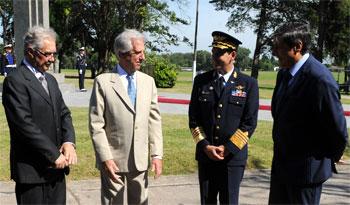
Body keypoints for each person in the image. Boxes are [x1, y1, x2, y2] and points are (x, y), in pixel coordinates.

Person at [269, 22, 348, 204]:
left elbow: (338, 131)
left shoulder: (319, 79)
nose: (274, 52)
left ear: (297, 46)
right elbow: (279, 114)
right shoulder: (284, 74)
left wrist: (325, 160)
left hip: (305, 174)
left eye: (279, 47)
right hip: (281, 169)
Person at [2, 25, 77, 204]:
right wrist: (53, 154)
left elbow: (64, 113)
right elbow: (24, 125)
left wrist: (69, 142)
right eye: (47, 54)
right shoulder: (15, 81)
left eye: (54, 54)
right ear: (30, 52)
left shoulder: (50, 80)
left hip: (57, 171)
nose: (52, 59)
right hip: (32, 172)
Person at [89, 29, 163, 205]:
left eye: (143, 52)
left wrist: (157, 154)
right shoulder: (104, 82)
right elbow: (96, 124)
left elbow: (154, 121)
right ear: (122, 55)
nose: (143, 57)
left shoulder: (148, 82)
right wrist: (105, 157)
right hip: (113, 162)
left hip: (140, 161)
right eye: (138, 52)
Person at [188, 31, 259, 204]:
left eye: (219, 53)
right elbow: (193, 118)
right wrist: (205, 146)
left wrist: (228, 148)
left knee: (229, 201)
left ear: (232, 55)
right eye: (213, 52)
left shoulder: (248, 84)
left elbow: (249, 123)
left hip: (232, 159)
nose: (214, 56)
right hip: (206, 156)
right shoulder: (201, 81)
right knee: (207, 200)